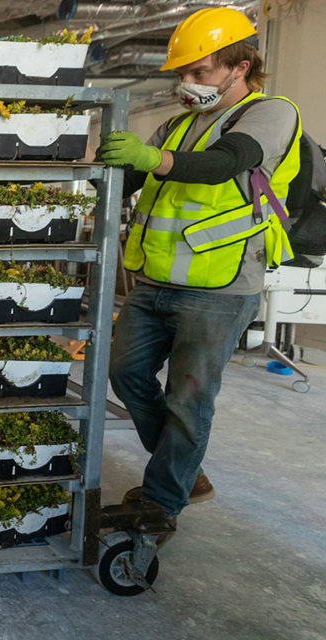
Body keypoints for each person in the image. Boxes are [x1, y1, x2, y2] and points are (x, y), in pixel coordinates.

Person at [100, 7, 301, 531]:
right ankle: (187, 475)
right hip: (155, 278)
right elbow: (136, 182)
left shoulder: (272, 113)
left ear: (240, 67)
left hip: (221, 285)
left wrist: (152, 159)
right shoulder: (179, 123)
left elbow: (223, 165)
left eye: (200, 73)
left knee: (188, 397)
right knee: (125, 374)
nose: (187, 84)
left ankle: (160, 504)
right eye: (182, 74)